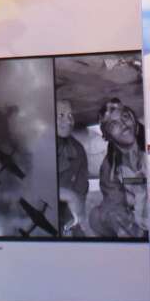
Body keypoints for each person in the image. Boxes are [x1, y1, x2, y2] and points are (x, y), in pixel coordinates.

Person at [85, 97, 147, 238]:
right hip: (141, 226)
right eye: (114, 124)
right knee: (97, 216)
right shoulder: (110, 167)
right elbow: (115, 204)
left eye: (125, 117)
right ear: (107, 136)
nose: (124, 124)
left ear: (133, 118)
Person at [53, 98, 89, 236]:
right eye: (61, 115)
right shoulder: (36, 143)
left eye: (70, 116)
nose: (68, 121)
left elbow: (80, 192)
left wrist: (77, 219)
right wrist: (67, 195)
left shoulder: (78, 150)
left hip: (66, 214)